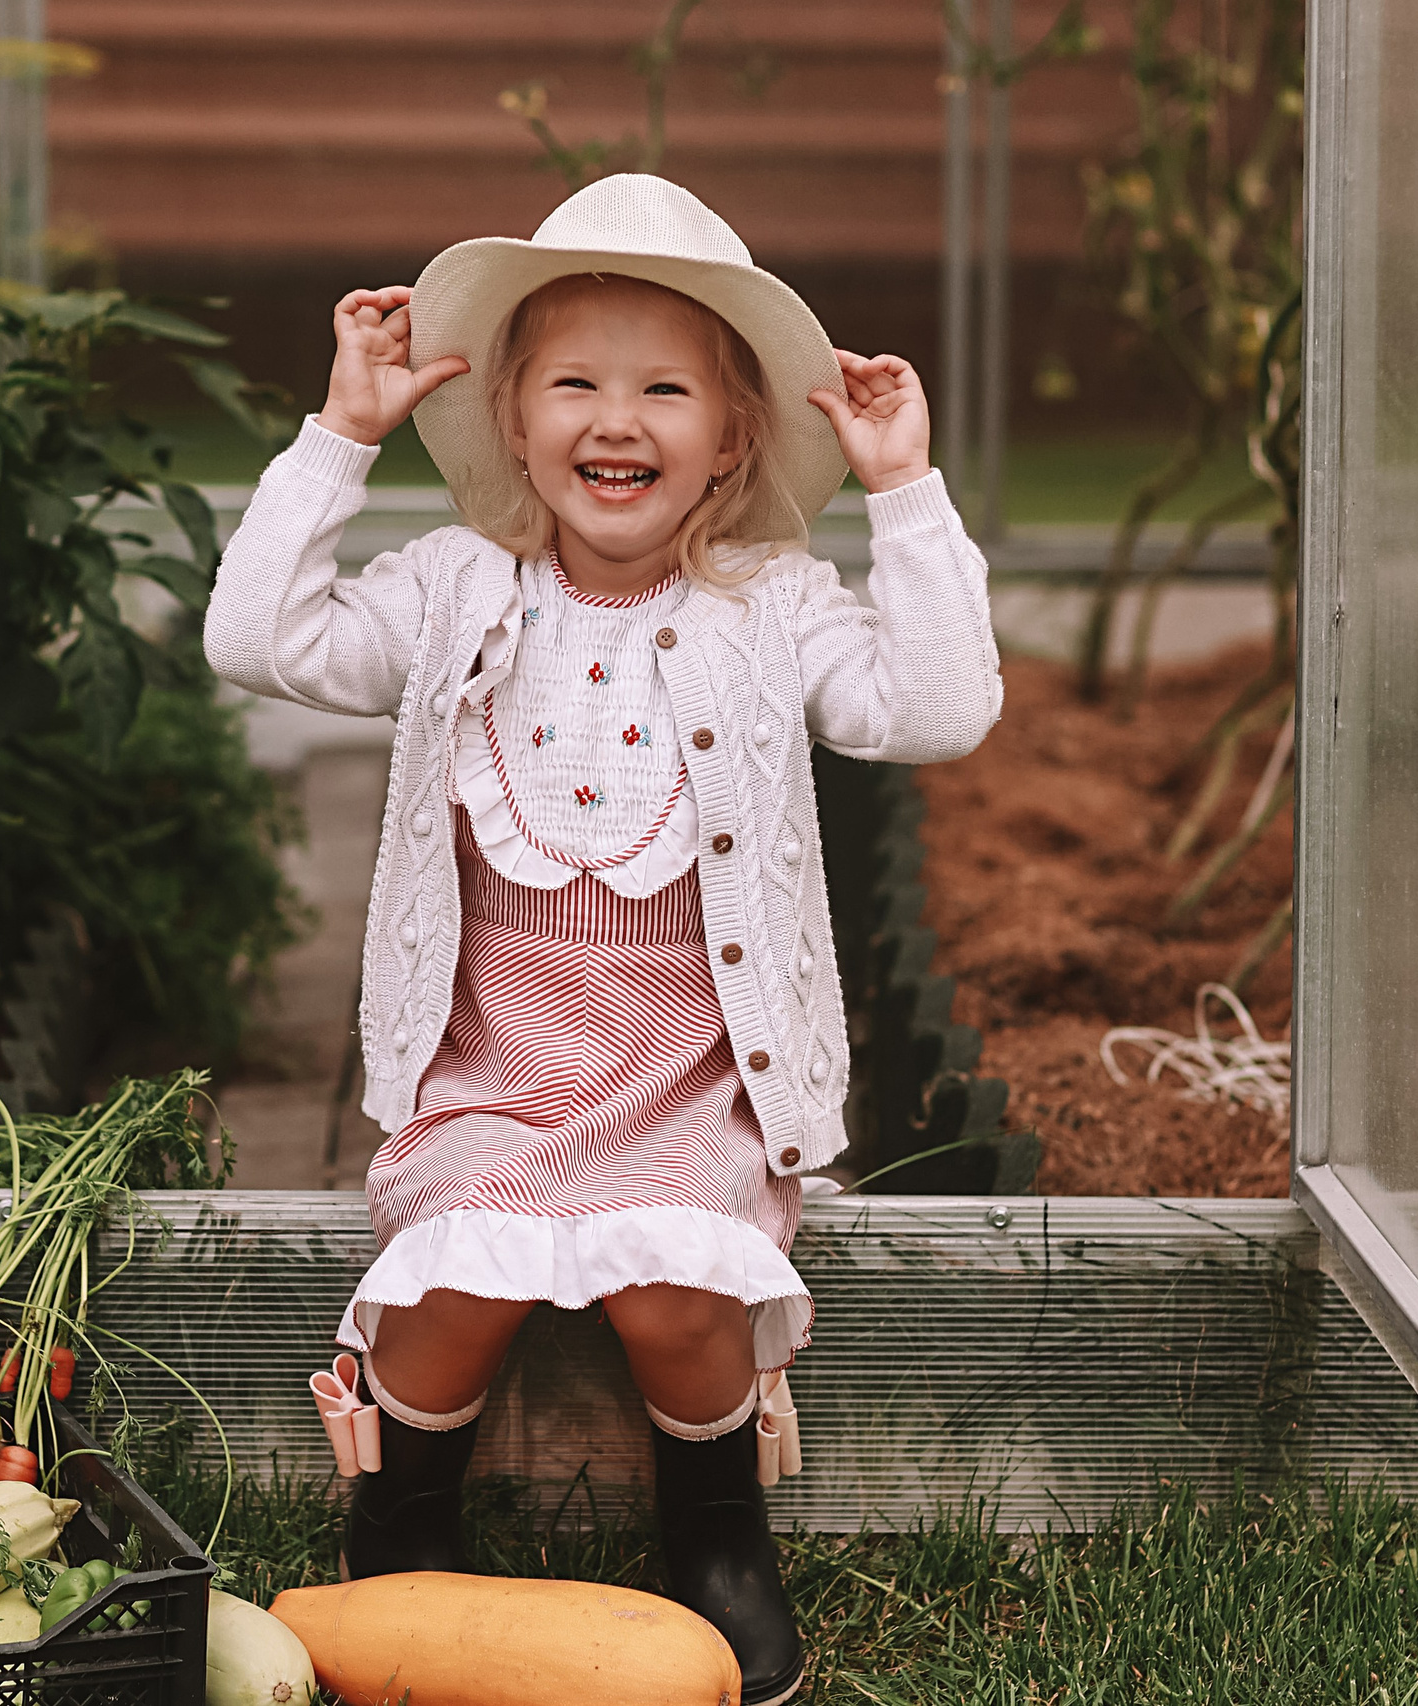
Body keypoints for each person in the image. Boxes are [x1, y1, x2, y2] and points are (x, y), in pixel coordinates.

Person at [205, 174, 1001, 1703]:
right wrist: (340, 438)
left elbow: (942, 708)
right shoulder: (453, 587)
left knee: (680, 1287)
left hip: (690, 1071)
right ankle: (403, 1520)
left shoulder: (775, 603)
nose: (615, 420)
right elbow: (258, 639)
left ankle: (715, 1529)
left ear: (736, 434)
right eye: (573, 383)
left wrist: (905, 489)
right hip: (494, 1069)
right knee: (442, 1284)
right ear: (511, 421)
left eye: (665, 390)